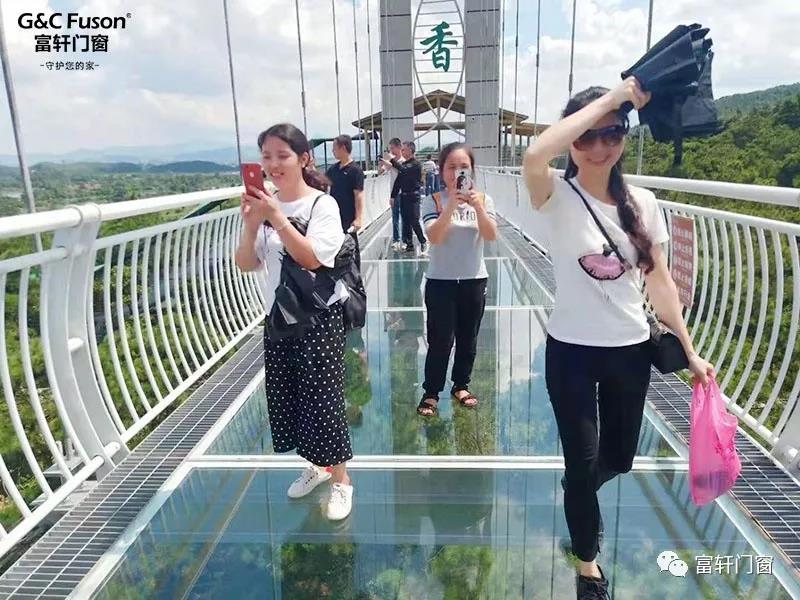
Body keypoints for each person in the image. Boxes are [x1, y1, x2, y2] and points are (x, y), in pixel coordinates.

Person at [522, 78, 715, 599]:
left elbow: (660, 282)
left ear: (625, 138)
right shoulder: (554, 194)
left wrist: (690, 350)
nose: (600, 146)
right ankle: (588, 564)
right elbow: (536, 153)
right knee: (582, 462)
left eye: (613, 133)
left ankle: (579, 489)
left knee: (620, 459)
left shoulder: (644, 203)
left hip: (629, 351)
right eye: (587, 136)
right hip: (570, 352)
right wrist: (613, 100)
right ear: (572, 141)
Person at [235, 123, 354, 521]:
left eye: (282, 155)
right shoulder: (265, 205)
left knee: (324, 399)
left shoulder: (322, 205)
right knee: (292, 397)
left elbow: (313, 258)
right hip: (278, 317)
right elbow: (247, 263)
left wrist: (276, 218)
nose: (273, 164)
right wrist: (253, 223)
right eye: (266, 156)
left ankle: (341, 480)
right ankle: (317, 466)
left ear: (304, 159)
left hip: (318, 317)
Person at [416, 142, 497, 417]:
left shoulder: (484, 200)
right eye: (451, 167)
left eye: (464, 167)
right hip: (441, 281)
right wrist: (451, 205)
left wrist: (478, 207)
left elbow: (490, 235)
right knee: (440, 340)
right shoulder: (433, 201)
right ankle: (431, 391)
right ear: (441, 171)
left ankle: (461, 385)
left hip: (474, 279)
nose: (457, 173)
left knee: (468, 338)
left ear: (472, 170)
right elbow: (434, 237)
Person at [381, 141, 427, 255]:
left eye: (404, 150)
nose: (402, 152)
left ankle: (423, 241)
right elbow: (398, 182)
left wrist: (392, 160)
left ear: (410, 151)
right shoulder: (404, 165)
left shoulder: (416, 164)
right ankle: (409, 244)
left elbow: (404, 170)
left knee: (414, 220)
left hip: (413, 196)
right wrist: (393, 196)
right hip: (404, 195)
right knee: (405, 221)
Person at [327, 134, 365, 268]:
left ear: (343, 148)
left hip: (348, 217)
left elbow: (359, 195)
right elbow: (321, 182)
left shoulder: (355, 170)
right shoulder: (333, 169)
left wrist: (358, 218)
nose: (333, 151)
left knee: (351, 246)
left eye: (334, 148)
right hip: (334, 217)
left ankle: (355, 275)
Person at [379, 137, 404, 251]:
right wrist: (381, 164)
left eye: (393, 148)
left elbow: (400, 169)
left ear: (399, 147)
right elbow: (380, 172)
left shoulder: (403, 161)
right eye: (390, 149)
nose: (391, 151)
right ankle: (396, 240)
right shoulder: (390, 162)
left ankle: (404, 239)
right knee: (395, 218)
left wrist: (390, 162)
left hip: (403, 193)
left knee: (405, 218)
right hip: (394, 194)